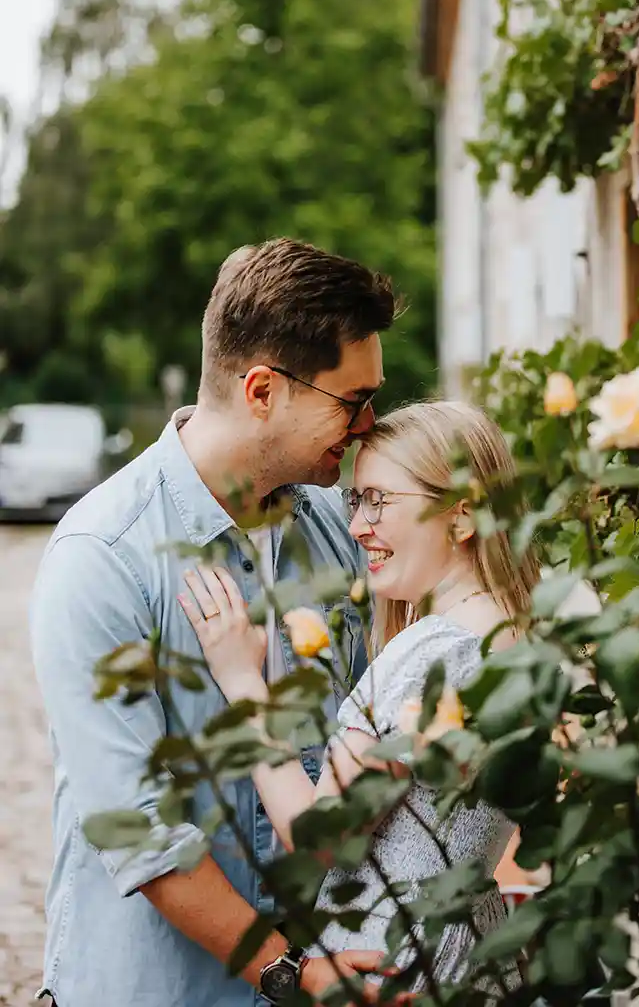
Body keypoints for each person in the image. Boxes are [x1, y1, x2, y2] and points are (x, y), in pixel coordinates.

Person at [29, 238, 397, 1007]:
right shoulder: (107, 556)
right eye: (352, 401)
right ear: (263, 390)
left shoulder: (342, 531)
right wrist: (291, 972)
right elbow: (138, 831)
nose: (368, 426)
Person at [179, 400, 540, 996]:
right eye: (355, 499)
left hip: (391, 963)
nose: (356, 526)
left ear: (463, 516)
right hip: (471, 954)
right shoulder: (511, 636)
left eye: (379, 500)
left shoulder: (430, 654)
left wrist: (244, 684)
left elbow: (319, 836)